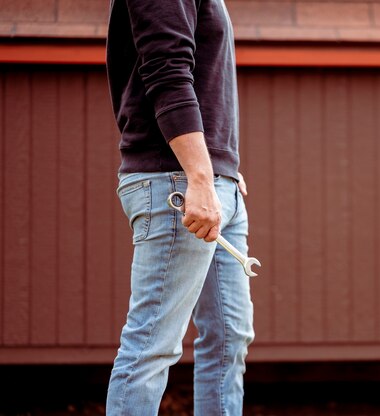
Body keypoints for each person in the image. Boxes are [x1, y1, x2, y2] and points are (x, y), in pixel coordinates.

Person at [105, 0, 254, 414]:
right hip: (180, 182)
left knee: (230, 337)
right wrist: (201, 177)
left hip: (213, 183)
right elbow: (167, 71)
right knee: (152, 346)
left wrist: (221, 166)